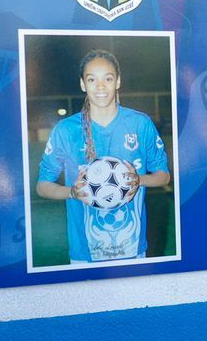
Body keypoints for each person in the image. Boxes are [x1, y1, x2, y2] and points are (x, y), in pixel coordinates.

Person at [35, 49, 171, 264]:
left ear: (118, 81)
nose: (100, 86)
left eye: (107, 78)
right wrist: (72, 192)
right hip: (84, 254)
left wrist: (138, 179)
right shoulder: (65, 130)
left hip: (133, 251)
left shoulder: (140, 124)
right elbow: (43, 186)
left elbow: (163, 176)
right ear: (82, 84)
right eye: (92, 79)